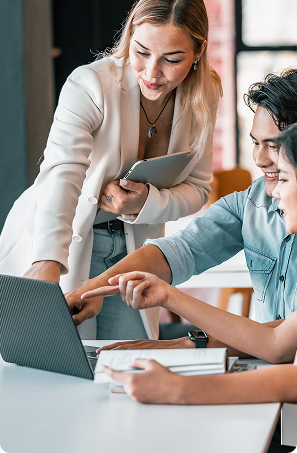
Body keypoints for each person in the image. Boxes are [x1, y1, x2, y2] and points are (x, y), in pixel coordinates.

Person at [0, 0, 222, 340]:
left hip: (133, 252)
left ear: (198, 52)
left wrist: (145, 202)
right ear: (130, 35)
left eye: (172, 59)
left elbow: (198, 189)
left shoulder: (206, 92)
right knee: (59, 370)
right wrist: (47, 261)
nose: (152, 72)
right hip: (59, 236)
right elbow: (62, 171)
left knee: (129, 362)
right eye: (142, 51)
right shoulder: (89, 84)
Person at [65, 68, 297, 342]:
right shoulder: (252, 202)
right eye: (255, 143)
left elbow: (281, 343)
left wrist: (181, 344)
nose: (258, 159)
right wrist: (93, 289)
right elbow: (180, 249)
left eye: (272, 146)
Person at [82, 122, 297, 411]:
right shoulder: (250, 202)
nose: (272, 193)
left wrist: (177, 388)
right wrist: (167, 296)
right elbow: (276, 343)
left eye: (283, 178)